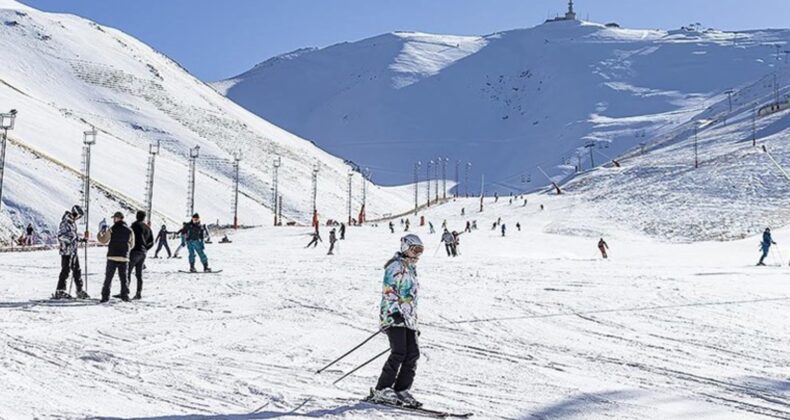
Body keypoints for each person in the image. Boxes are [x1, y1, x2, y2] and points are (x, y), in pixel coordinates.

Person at [370, 234, 424, 408]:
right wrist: (394, 313)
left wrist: (414, 321)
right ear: (405, 247)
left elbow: (411, 296)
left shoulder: (411, 268)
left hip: (409, 319)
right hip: (393, 315)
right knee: (399, 352)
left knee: (413, 354)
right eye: (415, 249)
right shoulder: (395, 266)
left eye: (420, 251)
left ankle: (401, 389)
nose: (417, 254)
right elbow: (389, 290)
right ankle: (382, 388)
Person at [97, 212, 134, 303]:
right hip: (124, 257)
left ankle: (105, 296)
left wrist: (100, 233)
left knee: (108, 278)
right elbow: (132, 244)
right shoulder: (129, 230)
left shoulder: (112, 229)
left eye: (114, 218)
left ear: (117, 218)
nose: (113, 220)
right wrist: (125, 249)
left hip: (112, 256)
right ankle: (124, 295)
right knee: (123, 278)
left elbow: (103, 240)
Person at [54, 205, 88, 299]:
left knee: (77, 270)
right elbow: (61, 236)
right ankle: (60, 290)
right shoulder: (65, 223)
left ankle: (79, 290)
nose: (78, 218)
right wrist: (72, 238)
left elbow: (74, 237)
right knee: (66, 270)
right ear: (74, 213)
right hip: (66, 251)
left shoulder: (72, 223)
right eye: (78, 216)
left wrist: (82, 239)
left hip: (73, 251)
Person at [128, 211, 154, 300]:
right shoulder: (148, 228)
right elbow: (152, 242)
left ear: (136, 216)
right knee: (139, 274)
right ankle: (138, 293)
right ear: (144, 217)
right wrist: (145, 248)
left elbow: (129, 238)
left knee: (127, 272)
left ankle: (125, 291)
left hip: (134, 251)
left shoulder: (134, 226)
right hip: (143, 253)